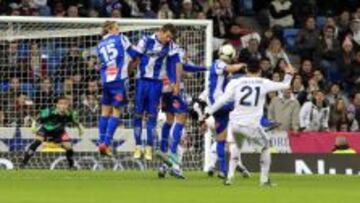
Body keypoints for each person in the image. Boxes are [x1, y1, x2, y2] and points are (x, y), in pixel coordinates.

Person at [204, 58, 295, 186]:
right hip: (251, 124)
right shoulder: (263, 82)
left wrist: (208, 112)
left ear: (246, 70)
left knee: (236, 146)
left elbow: (222, 100)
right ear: (259, 70)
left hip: (235, 124)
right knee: (266, 147)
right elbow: (285, 85)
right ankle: (264, 180)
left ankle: (229, 177)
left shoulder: (235, 82)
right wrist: (289, 74)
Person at [133, 24, 177, 160]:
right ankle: (137, 146)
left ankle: (149, 148)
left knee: (152, 116)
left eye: (171, 37)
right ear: (161, 32)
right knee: (138, 114)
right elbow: (135, 57)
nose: (168, 39)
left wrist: (173, 81)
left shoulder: (170, 46)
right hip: (141, 81)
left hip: (156, 84)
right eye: (167, 35)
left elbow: (171, 65)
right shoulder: (145, 40)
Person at [96, 21, 138, 156]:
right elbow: (135, 55)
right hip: (119, 80)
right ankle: (106, 143)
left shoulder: (100, 45)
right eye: (116, 28)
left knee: (104, 111)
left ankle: (101, 142)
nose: (119, 30)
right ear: (109, 29)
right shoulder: (122, 38)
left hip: (106, 80)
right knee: (116, 112)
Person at [207, 43, 246, 178]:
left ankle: (223, 170)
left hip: (217, 107)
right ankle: (261, 122)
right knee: (244, 105)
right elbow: (230, 68)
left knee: (220, 139)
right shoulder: (219, 64)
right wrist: (241, 65)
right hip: (220, 103)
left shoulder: (220, 68)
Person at [20, 96, 84, 169]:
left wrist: (80, 130)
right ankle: (23, 163)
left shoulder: (70, 113)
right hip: (46, 130)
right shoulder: (49, 111)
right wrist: (34, 126)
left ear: (68, 105)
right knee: (37, 141)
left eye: (65, 104)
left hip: (60, 132)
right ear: (57, 105)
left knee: (69, 147)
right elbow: (37, 118)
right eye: (61, 104)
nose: (63, 106)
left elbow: (76, 122)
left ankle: (71, 166)